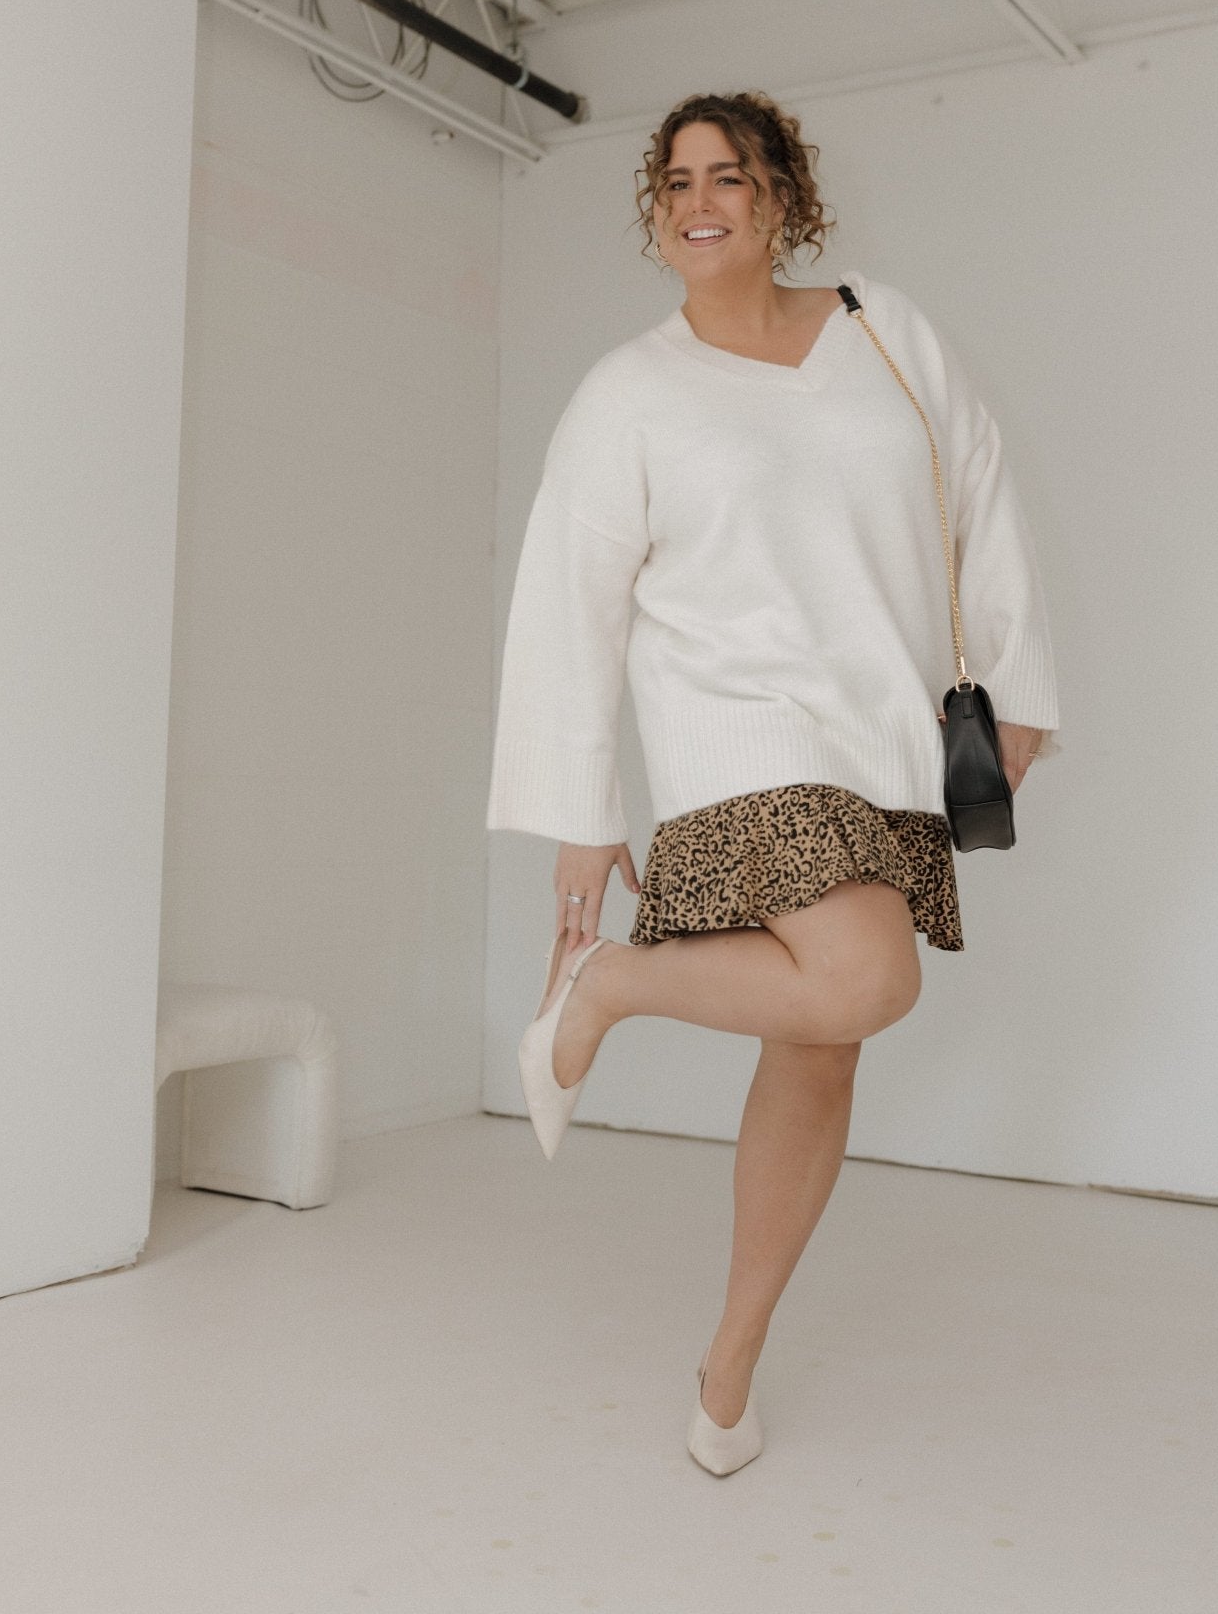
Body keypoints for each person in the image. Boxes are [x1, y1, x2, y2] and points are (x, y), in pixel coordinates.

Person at [486, 89, 1060, 1475]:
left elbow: (980, 491)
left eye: (728, 177)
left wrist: (1020, 690)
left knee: (820, 1046)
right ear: (656, 211)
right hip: (734, 736)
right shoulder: (629, 391)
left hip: (884, 739)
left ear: (783, 198)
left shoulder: (883, 328)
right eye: (676, 180)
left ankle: (730, 1363)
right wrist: (581, 816)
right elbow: (567, 605)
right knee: (866, 978)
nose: (699, 202)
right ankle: (607, 984)